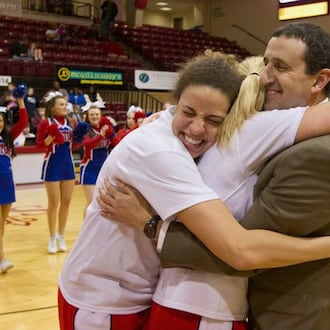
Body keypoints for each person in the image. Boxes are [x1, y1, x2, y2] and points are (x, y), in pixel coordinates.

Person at [58, 51, 330, 330]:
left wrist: (150, 222)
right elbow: (241, 252)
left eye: (213, 120)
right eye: (188, 112)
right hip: (115, 301)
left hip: (146, 294)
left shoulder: (190, 136)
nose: (198, 128)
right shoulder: (238, 134)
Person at [36, 93, 76, 254]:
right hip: (52, 164)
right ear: (53, 108)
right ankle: (51, 236)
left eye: (65, 105)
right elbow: (39, 145)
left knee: (66, 202)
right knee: (54, 202)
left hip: (68, 164)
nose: (65, 107)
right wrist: (51, 138)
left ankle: (61, 235)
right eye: (61, 105)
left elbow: (77, 144)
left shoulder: (71, 123)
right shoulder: (46, 122)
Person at [0, 92, 28, 273]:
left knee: (2, 223)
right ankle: (2, 259)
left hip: (7, 184)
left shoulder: (8, 138)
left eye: (1, 120)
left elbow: (23, 122)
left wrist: (20, 101)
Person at [79, 102, 115, 212]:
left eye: (97, 114)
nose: (95, 117)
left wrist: (112, 135)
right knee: (91, 203)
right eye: (92, 115)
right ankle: (86, 229)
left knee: (103, 204)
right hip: (89, 169)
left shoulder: (106, 129)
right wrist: (100, 136)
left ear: (101, 116)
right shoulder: (85, 129)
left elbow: (117, 143)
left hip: (103, 170)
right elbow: (88, 144)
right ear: (88, 117)